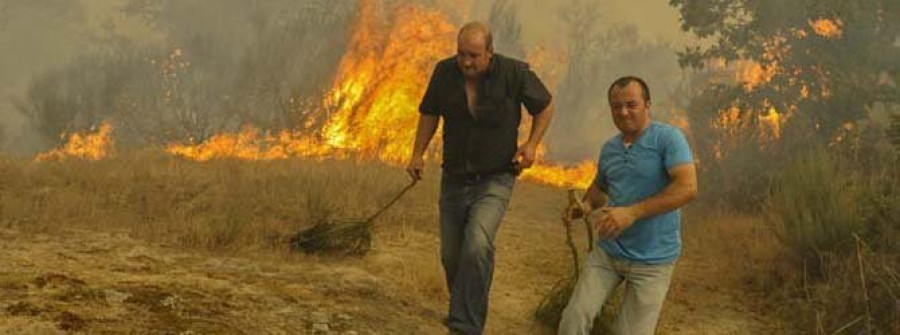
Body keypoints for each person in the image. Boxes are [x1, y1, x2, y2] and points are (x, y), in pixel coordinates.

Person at [406, 21, 554, 335]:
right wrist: (417, 154)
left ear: (489, 52)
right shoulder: (444, 72)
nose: (466, 62)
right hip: (455, 176)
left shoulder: (514, 73)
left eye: (474, 55)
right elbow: (429, 112)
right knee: (452, 255)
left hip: (495, 177)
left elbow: (545, 105)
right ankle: (464, 307)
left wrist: (531, 144)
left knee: (477, 244)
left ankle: (464, 326)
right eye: (461, 54)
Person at [558, 76, 697, 335]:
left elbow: (687, 188)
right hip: (608, 253)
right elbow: (600, 190)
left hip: (653, 262)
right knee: (573, 319)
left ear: (647, 105)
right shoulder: (610, 148)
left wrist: (633, 213)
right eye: (616, 106)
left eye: (631, 104)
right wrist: (584, 207)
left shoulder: (668, 138)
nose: (623, 112)